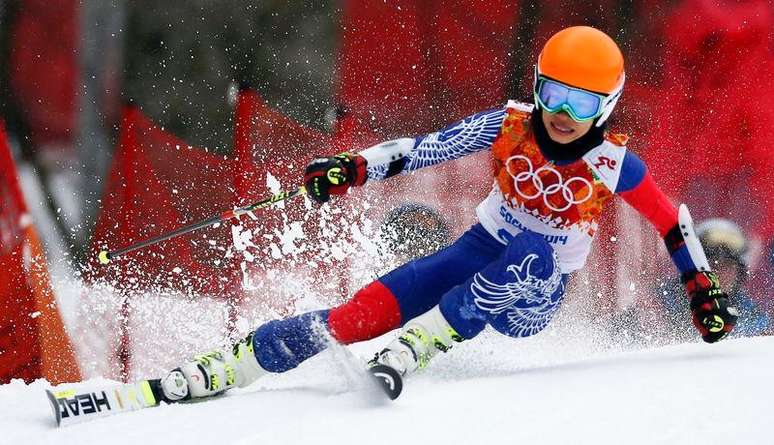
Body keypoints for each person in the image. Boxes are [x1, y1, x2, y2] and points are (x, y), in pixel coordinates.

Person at [152, 26, 739, 402]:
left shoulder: (614, 164)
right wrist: (351, 169)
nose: (562, 112)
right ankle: (236, 363)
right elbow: (423, 148)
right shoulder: (507, 125)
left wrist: (701, 289)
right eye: (553, 92)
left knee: (531, 254)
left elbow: (670, 221)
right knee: (361, 313)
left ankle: (420, 344)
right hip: (477, 250)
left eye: (581, 102)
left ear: (605, 106)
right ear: (537, 86)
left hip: (535, 296)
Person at [654, 218, 768, 340]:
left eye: (728, 266)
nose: (720, 273)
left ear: (739, 273)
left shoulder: (752, 316)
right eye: (713, 264)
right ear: (695, 267)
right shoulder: (658, 302)